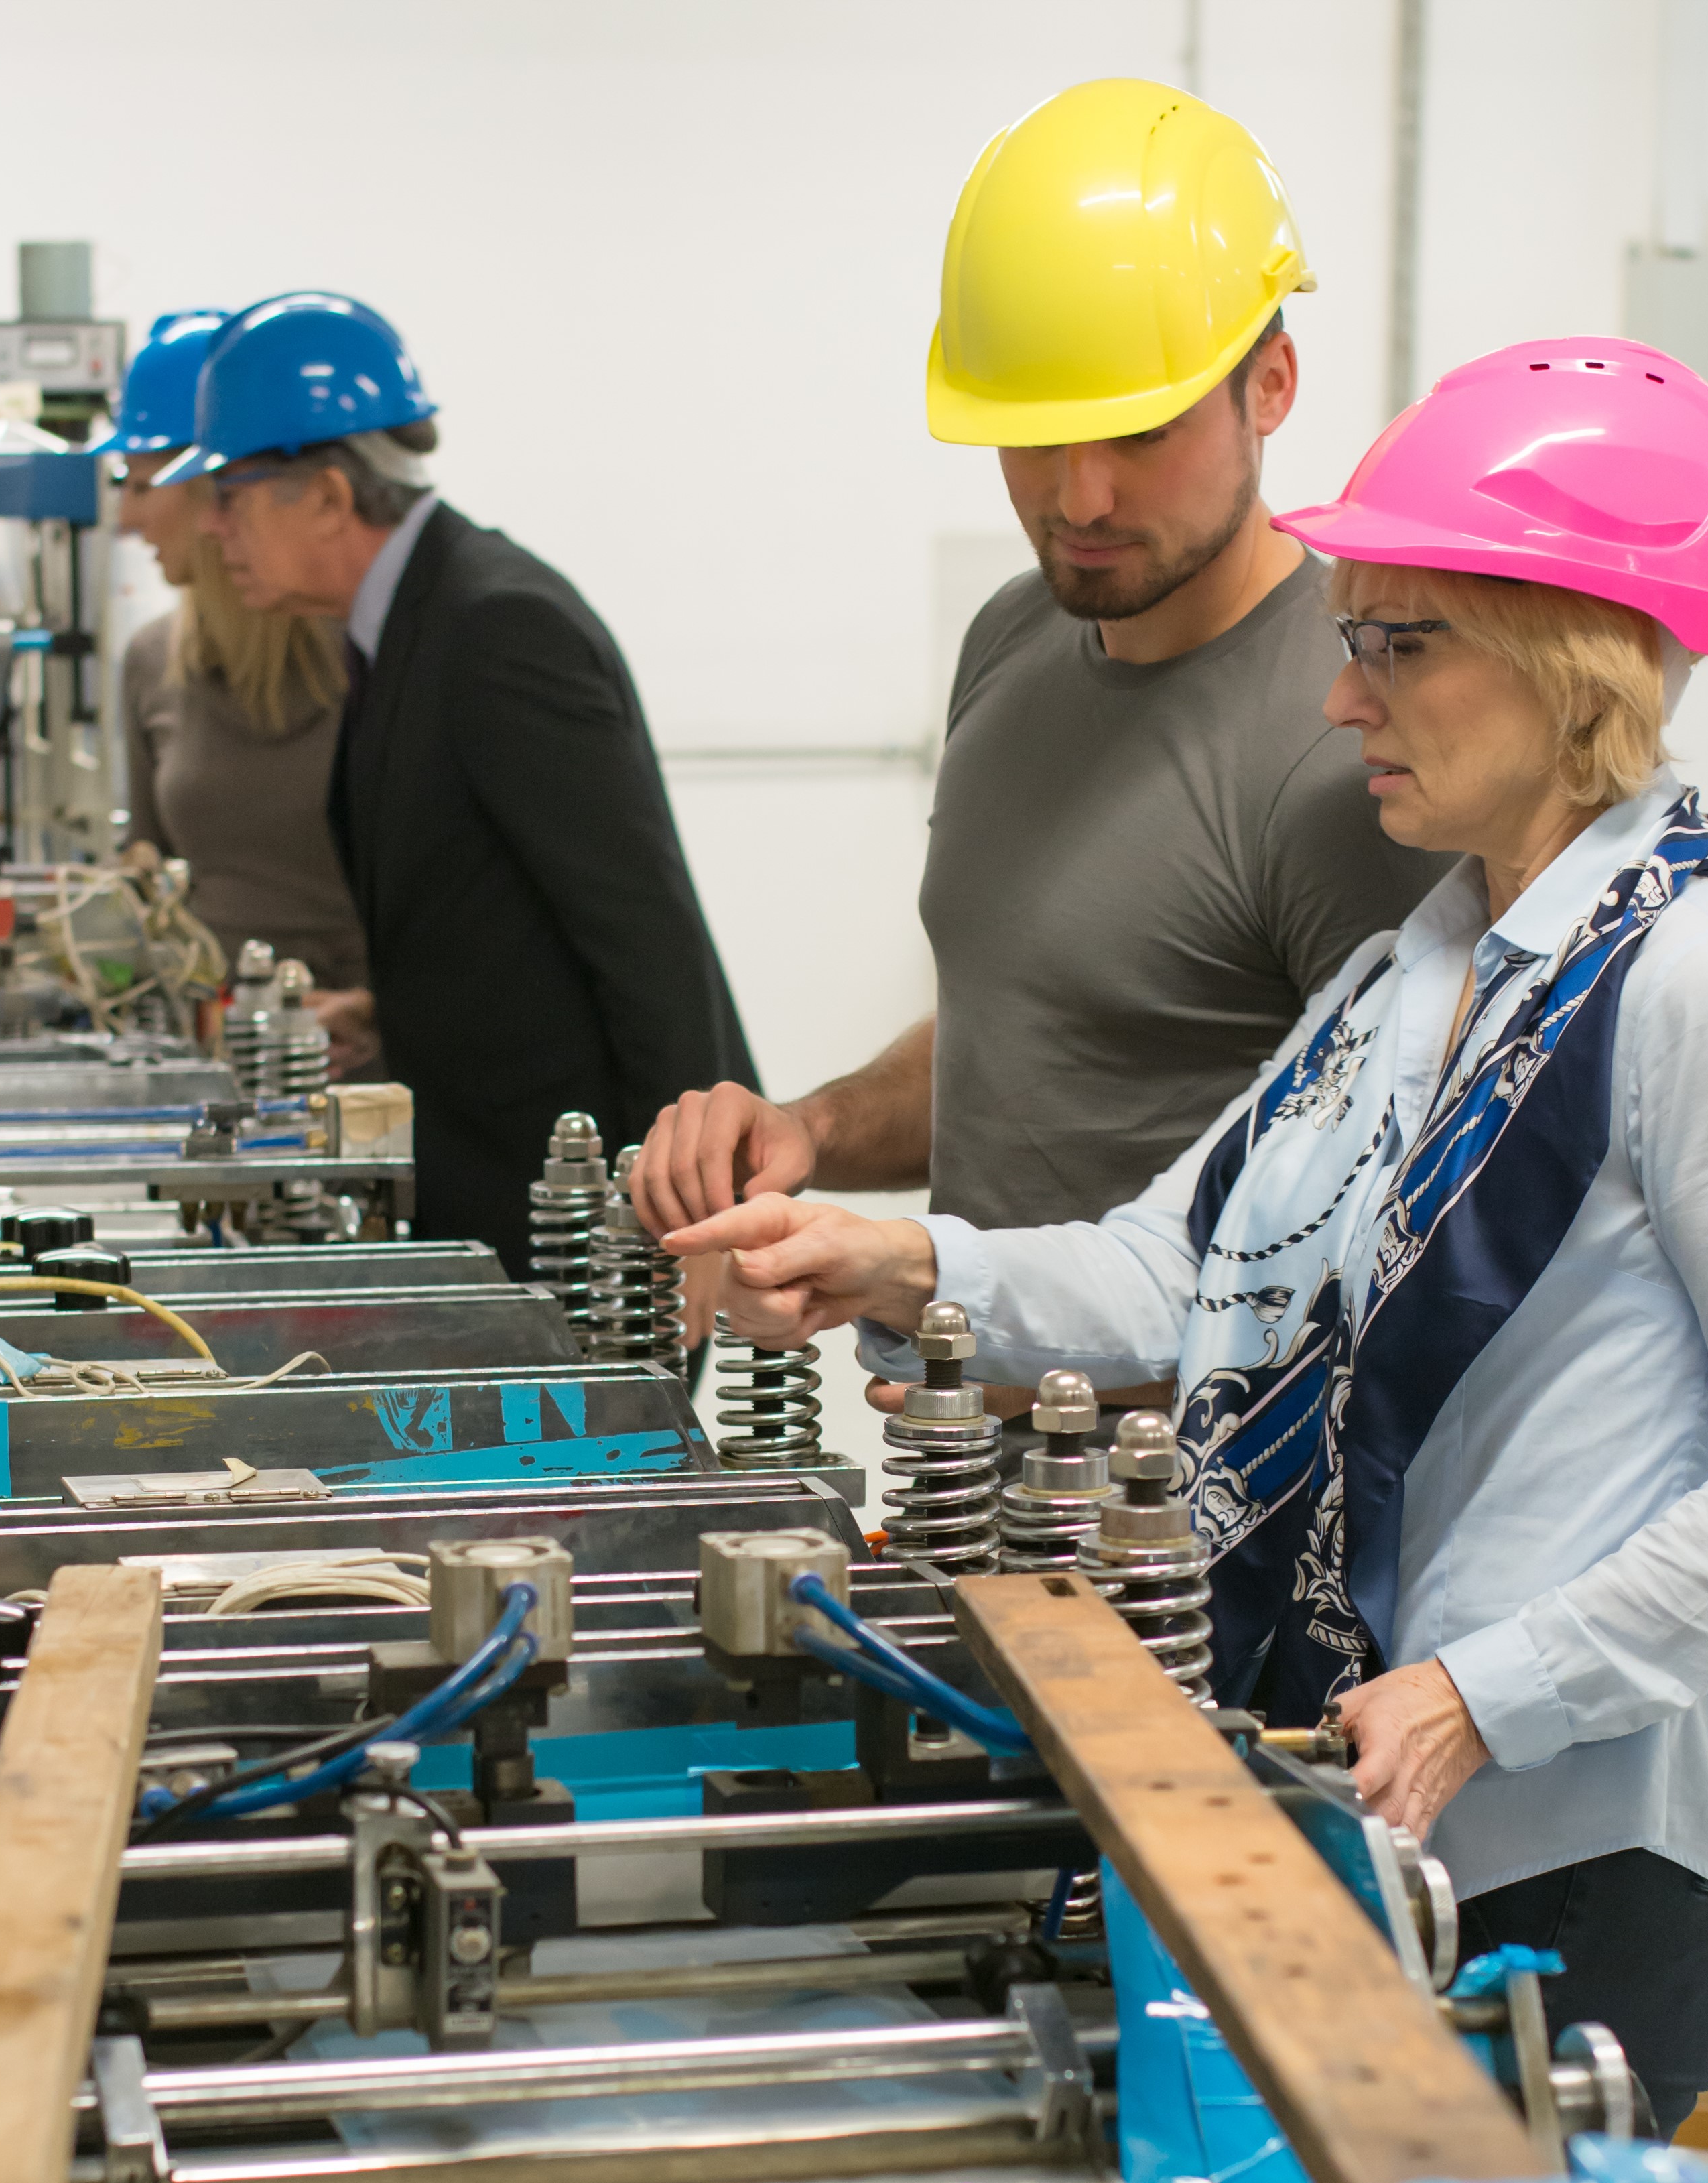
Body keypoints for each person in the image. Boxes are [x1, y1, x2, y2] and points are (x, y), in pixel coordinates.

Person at [663, 338, 1708, 2162]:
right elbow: (1192, 1277)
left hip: (1586, 1854)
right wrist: (900, 1266)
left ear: (1574, 665)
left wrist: (1493, 1693)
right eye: (1354, 635)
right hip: (1357, 1809)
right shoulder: (1414, 972)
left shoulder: (1703, 993)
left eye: (1402, 643)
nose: (1345, 700)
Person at [630, 81, 1432, 1398]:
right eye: (1035, 434)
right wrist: (809, 1129)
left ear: (1270, 386)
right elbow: (1026, 1032)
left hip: (1183, 1541)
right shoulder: (1015, 638)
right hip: (975, 1484)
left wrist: (985, 1321)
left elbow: (1376, 1239)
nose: (1080, 495)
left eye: (1137, 430)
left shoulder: (1342, 738)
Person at [159, 292, 754, 1274]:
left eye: (229, 494)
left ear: (328, 494)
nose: (212, 529)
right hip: (490, 1181)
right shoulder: (401, 627)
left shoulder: (496, 629)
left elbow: (646, 937)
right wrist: (390, 1007)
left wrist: (692, 1226)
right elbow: (494, 910)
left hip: (584, 1216)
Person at [101, 311, 375, 1061]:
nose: (125, 518)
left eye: (140, 483)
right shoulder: (152, 661)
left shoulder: (370, 654)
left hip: (371, 1055)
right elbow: (147, 867)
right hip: (222, 1057)